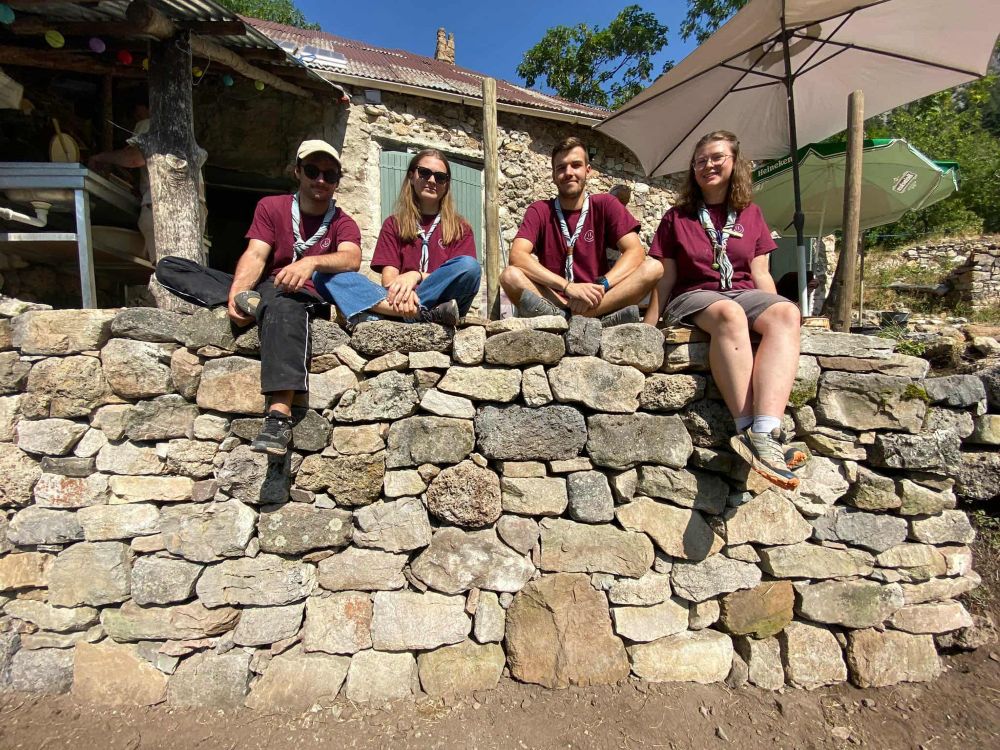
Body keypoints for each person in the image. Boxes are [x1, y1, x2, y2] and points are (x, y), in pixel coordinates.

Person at [155, 139, 361, 457]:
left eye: (330, 175)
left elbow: (351, 258)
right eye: (312, 170)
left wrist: (310, 262)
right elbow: (256, 254)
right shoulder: (272, 207)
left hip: (306, 294)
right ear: (298, 171)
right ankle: (250, 304)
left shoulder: (341, 221)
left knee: (283, 306)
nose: (320, 180)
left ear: (336, 182)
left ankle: (278, 416)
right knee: (170, 267)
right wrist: (238, 293)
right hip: (266, 285)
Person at [644, 130, 803, 490]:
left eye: (717, 158)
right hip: (695, 296)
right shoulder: (676, 218)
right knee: (728, 316)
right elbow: (664, 279)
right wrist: (649, 329)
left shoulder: (752, 214)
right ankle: (746, 426)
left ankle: (765, 431)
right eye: (700, 161)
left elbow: (761, 275)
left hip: (744, 292)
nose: (708, 165)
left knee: (787, 314)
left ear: (735, 163)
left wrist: (779, 312)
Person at [500, 137, 662, 325]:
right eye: (561, 168)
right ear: (553, 175)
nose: (569, 173)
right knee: (509, 276)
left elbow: (636, 252)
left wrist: (601, 286)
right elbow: (518, 256)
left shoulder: (605, 204)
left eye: (576, 165)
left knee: (654, 268)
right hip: (556, 299)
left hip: (598, 299)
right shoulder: (540, 210)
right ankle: (565, 315)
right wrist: (568, 287)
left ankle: (579, 317)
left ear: (588, 170)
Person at [313, 148, 480, 327]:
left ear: (446, 184)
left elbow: (462, 274)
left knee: (469, 266)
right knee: (323, 276)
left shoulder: (461, 228)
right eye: (424, 173)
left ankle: (388, 315)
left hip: (443, 299)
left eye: (440, 177)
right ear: (411, 176)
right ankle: (423, 314)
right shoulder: (393, 224)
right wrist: (404, 291)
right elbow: (389, 281)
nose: (432, 181)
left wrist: (415, 276)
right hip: (401, 298)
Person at [88, 95, 207, 261]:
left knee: (166, 271)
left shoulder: (150, 124)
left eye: (136, 112)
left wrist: (100, 158)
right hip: (193, 209)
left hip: (165, 208)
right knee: (185, 269)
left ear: (150, 107)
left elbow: (134, 158)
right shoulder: (180, 130)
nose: (135, 118)